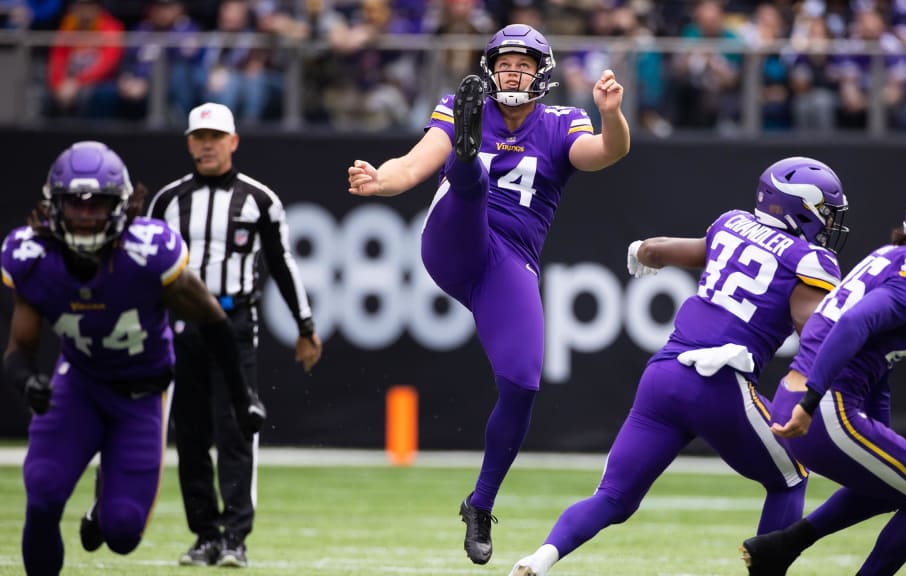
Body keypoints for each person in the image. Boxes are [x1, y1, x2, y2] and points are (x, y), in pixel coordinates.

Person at [347, 23, 630, 565]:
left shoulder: (560, 122)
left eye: (524, 64)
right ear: (489, 70)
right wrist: (381, 181)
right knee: (469, 169)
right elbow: (411, 165)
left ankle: (480, 503)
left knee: (523, 382)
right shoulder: (461, 103)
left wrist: (612, 112)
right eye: (505, 63)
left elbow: (605, 153)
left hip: (509, 262)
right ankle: (470, 154)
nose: (513, 72)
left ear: (541, 73)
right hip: (454, 237)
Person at [508, 156, 850, 576]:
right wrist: (866, 330)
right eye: (826, 213)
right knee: (791, 477)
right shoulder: (810, 259)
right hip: (722, 382)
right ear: (799, 207)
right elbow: (812, 331)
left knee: (612, 497)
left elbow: (663, 250)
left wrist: (644, 249)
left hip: (666, 374)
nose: (830, 224)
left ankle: (541, 558)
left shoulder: (732, 223)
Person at [1, 141, 264, 575]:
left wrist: (242, 394)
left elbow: (214, 322)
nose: (86, 216)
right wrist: (27, 382)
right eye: (76, 204)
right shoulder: (33, 256)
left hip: (141, 394)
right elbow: (19, 352)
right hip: (78, 385)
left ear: (120, 206)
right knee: (43, 490)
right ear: (55, 205)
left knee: (122, 532)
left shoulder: (147, 253)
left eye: (97, 204)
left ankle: (104, 499)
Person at [740, 176, 906, 576]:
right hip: (819, 405)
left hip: (803, 398)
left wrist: (879, 429)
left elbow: (872, 359)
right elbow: (852, 325)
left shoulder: (892, 255)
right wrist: (813, 400)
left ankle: (781, 547)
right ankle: (789, 545)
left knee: (891, 484)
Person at [146, 102, 323, 567]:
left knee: (237, 427)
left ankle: (235, 537)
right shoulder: (166, 201)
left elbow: (283, 265)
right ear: (188, 142)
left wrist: (305, 326)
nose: (206, 145)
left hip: (236, 325)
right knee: (190, 433)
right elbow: (144, 271)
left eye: (215, 137)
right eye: (198, 137)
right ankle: (204, 534)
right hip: (180, 328)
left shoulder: (259, 200)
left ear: (233, 141)